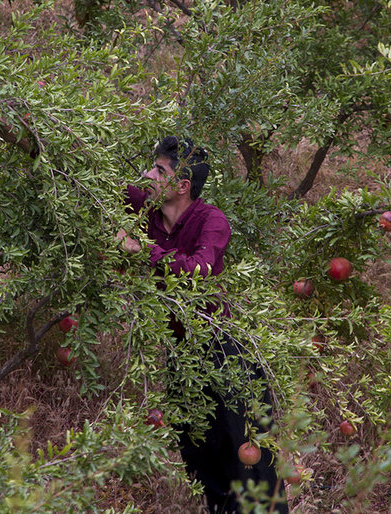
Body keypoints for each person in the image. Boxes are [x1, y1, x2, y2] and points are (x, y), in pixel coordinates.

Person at [117, 136, 288, 514]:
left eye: (158, 170)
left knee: (248, 455)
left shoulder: (212, 220)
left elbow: (198, 270)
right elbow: (95, 183)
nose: (147, 174)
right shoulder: (147, 208)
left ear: (181, 186)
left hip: (225, 349)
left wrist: (143, 249)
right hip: (182, 352)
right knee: (199, 451)